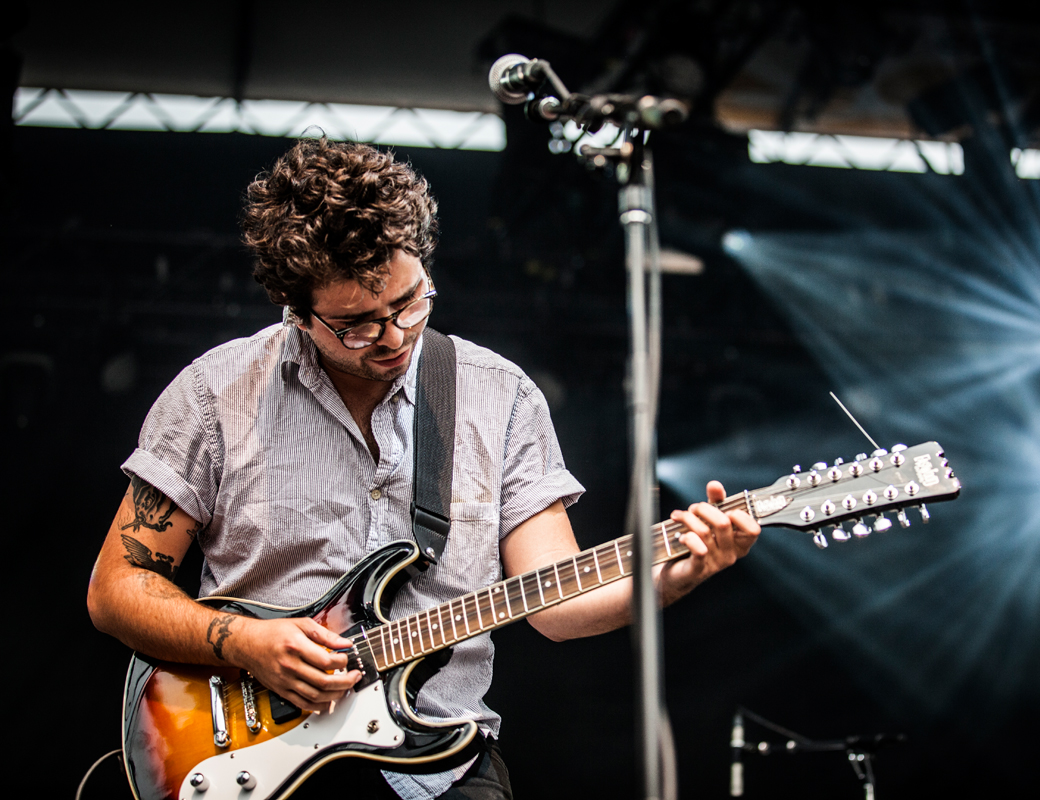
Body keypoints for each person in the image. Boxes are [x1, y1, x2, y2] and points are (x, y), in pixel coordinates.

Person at [87, 137, 761, 800]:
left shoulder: (498, 397)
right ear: (294, 310)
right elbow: (117, 588)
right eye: (355, 323)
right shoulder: (215, 394)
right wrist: (245, 641)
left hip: (440, 766)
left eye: (410, 303)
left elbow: (558, 606)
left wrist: (677, 574)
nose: (393, 337)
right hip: (254, 760)